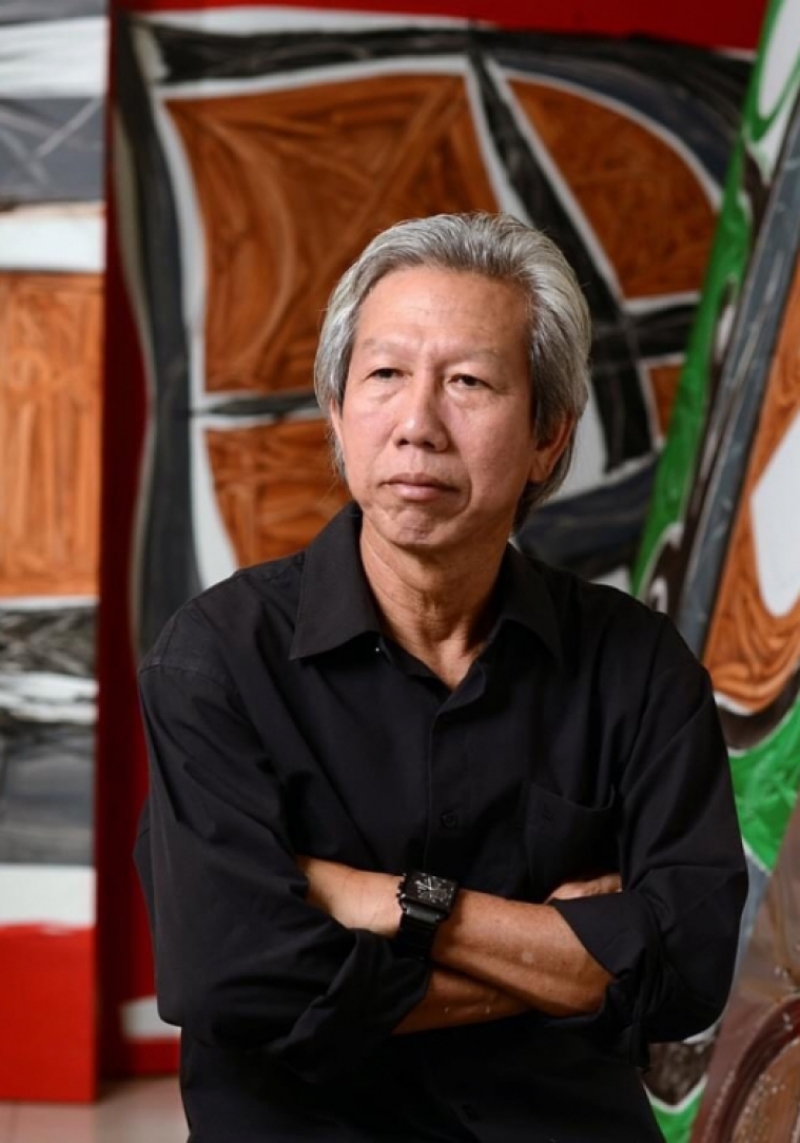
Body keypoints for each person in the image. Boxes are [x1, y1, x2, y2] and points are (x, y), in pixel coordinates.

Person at [134, 212, 747, 1142]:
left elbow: (687, 966)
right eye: (384, 375)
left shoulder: (636, 664)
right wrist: (557, 958)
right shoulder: (217, 657)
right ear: (338, 411)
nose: (417, 425)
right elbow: (230, 977)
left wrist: (391, 900)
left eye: (468, 382)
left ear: (548, 435)